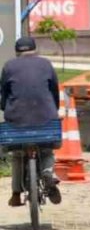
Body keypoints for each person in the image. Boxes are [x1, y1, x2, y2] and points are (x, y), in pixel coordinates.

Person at [2, 36, 63, 207]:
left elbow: (4, 94)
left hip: (17, 121)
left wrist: (5, 108)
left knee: (18, 155)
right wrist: (53, 109)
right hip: (46, 119)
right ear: (34, 50)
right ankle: (48, 173)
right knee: (47, 151)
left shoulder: (9, 66)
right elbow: (54, 91)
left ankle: (15, 194)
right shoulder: (46, 64)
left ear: (17, 52)